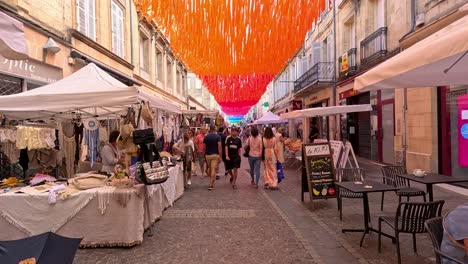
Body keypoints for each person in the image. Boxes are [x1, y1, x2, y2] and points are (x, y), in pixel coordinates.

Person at [203, 125, 222, 190]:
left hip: (207, 155)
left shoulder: (206, 137)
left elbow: (204, 147)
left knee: (210, 169)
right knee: (213, 169)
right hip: (215, 155)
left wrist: (204, 155)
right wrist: (220, 155)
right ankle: (211, 184)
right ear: (215, 129)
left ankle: (212, 181)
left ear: (209, 129)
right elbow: (219, 146)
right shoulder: (218, 136)